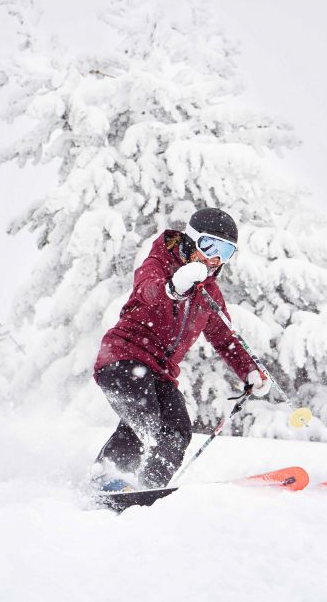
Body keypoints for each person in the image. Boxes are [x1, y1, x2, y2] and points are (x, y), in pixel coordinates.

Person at [91, 207, 271, 492]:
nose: (214, 258)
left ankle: (146, 487)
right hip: (122, 359)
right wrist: (174, 287)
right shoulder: (159, 262)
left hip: (161, 373)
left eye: (225, 252)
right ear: (191, 239)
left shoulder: (209, 292)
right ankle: (107, 479)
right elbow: (147, 290)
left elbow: (225, 338)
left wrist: (249, 369)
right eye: (209, 245)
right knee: (145, 419)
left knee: (177, 430)